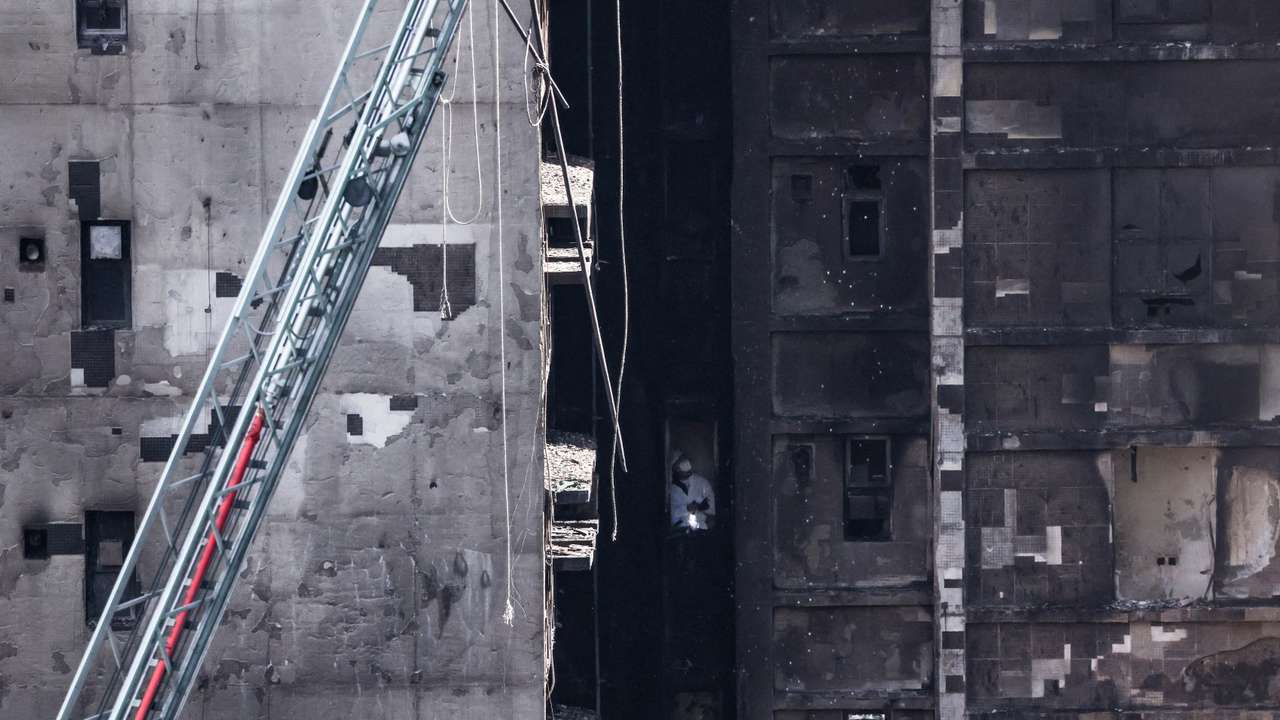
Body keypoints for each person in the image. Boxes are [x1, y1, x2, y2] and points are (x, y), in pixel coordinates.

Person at [669, 453, 715, 531]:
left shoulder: (702, 483)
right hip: (680, 532)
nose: (685, 464)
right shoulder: (672, 489)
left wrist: (701, 508)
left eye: (684, 460)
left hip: (702, 531)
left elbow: (713, 509)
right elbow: (671, 515)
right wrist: (686, 509)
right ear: (675, 468)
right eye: (679, 463)